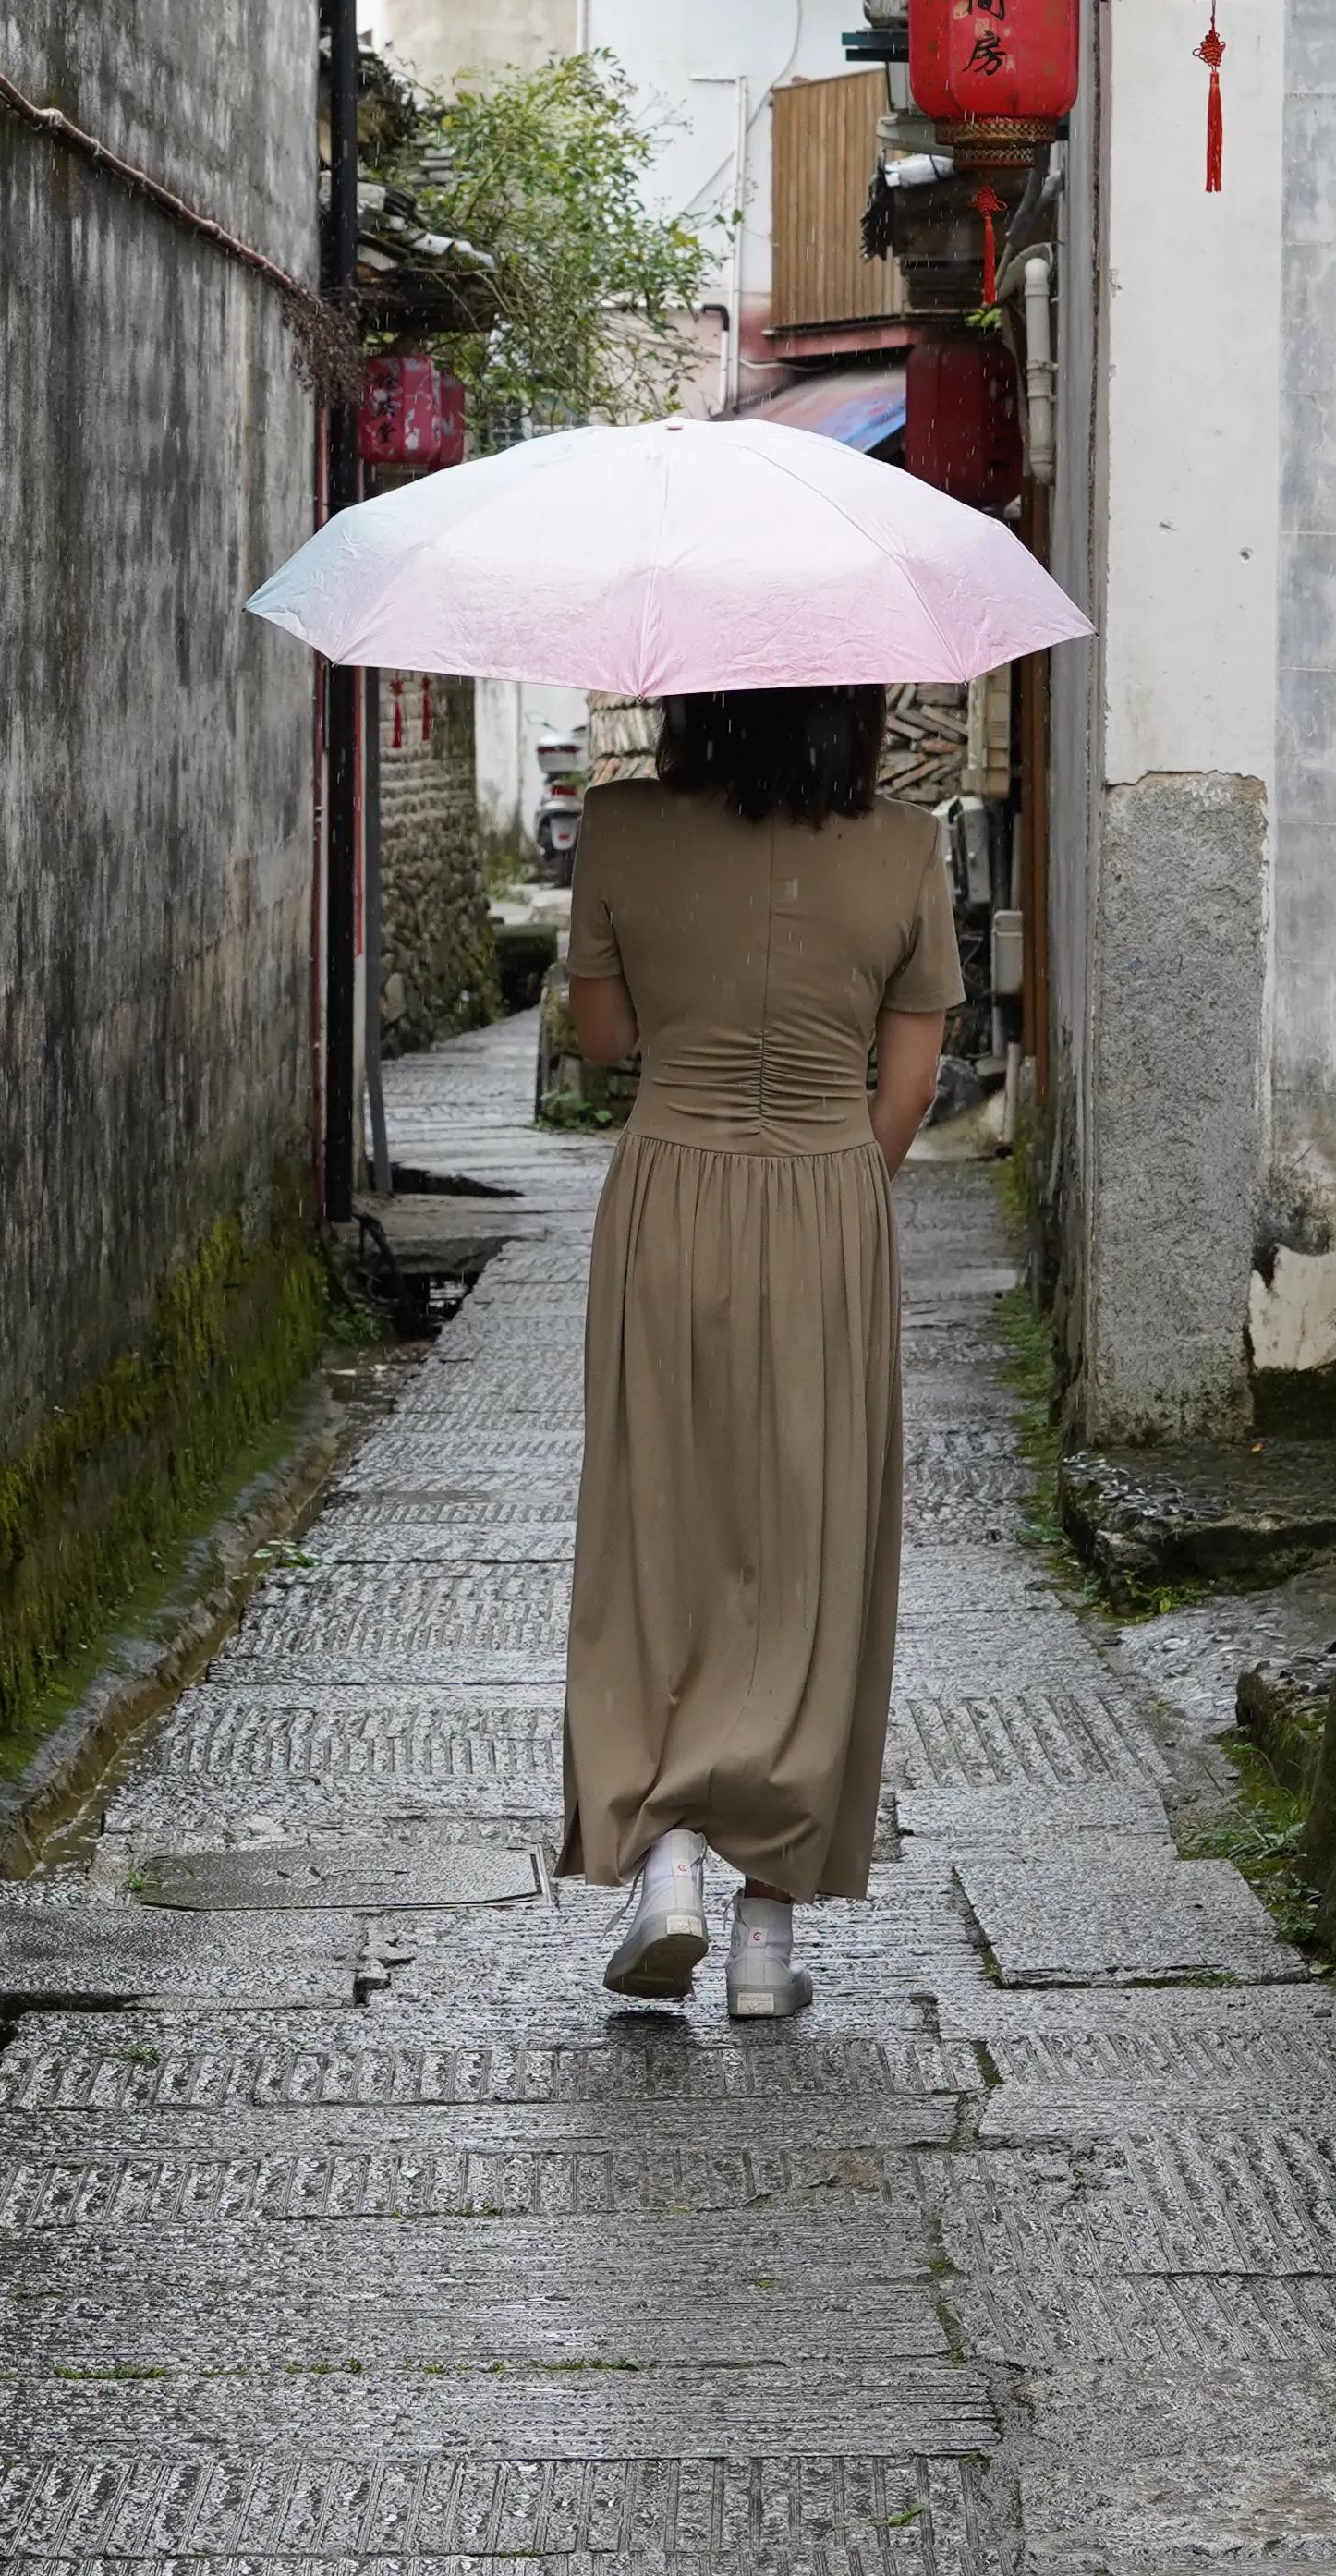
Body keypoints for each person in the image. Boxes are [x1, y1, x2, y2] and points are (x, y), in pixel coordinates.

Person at [551, 682, 959, 2018]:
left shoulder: (622, 826)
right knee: (813, 1543)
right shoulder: (905, 846)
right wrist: (832, 1189)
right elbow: (911, 1082)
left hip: (670, 1195)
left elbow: (604, 1041)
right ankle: (765, 1941)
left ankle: (666, 1854)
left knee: (656, 1523)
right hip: (831, 1200)